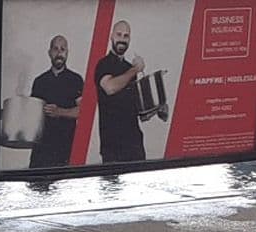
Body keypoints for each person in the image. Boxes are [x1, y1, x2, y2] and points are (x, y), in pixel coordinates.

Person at [95, 21, 160, 163]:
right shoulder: (103, 64)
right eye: (119, 35)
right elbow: (110, 88)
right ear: (111, 37)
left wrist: (157, 109)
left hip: (135, 144)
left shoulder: (128, 68)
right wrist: (136, 69)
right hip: (113, 146)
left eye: (126, 36)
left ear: (129, 39)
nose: (122, 39)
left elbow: (139, 113)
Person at [30, 35, 84, 168]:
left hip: (66, 149)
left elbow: (83, 112)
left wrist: (59, 112)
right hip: (41, 151)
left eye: (62, 49)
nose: (59, 53)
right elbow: (33, 114)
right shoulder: (39, 81)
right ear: (49, 53)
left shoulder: (75, 80)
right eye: (55, 49)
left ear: (67, 53)